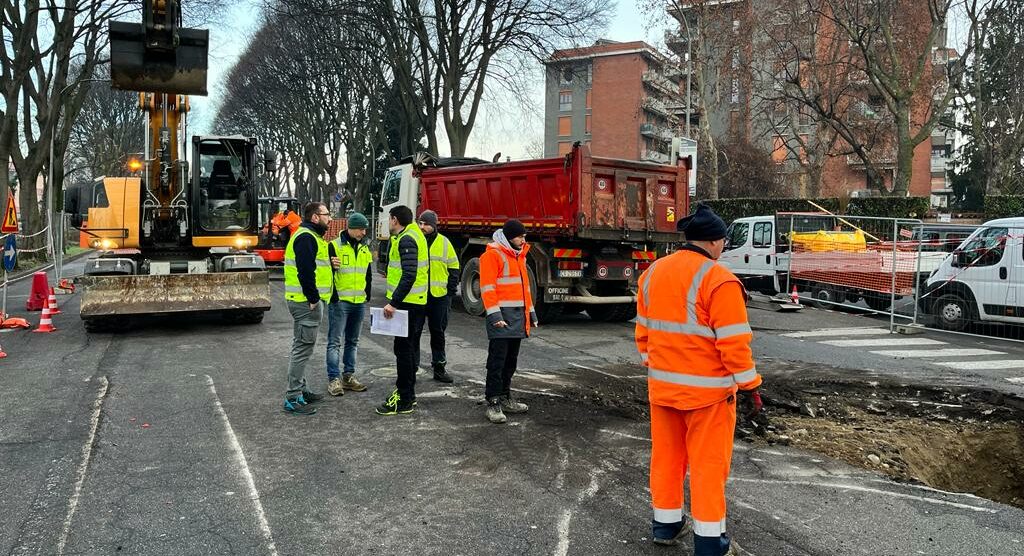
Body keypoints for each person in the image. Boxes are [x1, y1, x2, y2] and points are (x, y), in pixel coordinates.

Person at [635, 204, 762, 554]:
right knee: (707, 468)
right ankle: (709, 542)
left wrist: (662, 367)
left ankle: (666, 525)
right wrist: (751, 385)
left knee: (666, 460)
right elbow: (734, 344)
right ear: (716, 242)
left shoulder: (653, 273)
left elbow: (644, 335)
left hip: (662, 390)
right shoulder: (718, 279)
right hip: (708, 398)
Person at [479, 219, 537, 424]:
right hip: (501, 318)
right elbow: (487, 288)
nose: (523, 239)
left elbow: (525, 289)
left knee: (510, 361)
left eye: (524, 236)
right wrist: (495, 316)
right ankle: (493, 401)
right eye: (520, 236)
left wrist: (531, 313)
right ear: (509, 236)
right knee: (497, 362)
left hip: (517, 318)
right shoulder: (492, 256)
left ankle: (504, 396)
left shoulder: (519, 256)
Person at [282, 202, 334, 415]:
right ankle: (292, 397)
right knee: (302, 349)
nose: (329, 219)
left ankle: (300, 390)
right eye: (326, 215)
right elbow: (305, 271)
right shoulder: (306, 237)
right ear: (315, 217)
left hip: (305, 301)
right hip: (306, 302)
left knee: (302, 346)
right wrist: (313, 298)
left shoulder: (310, 237)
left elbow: (316, 267)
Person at [376, 205, 429, 415]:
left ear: (395, 219)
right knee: (407, 349)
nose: (388, 223)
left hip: (408, 303)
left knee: (404, 351)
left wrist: (393, 303)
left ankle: (404, 397)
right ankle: (408, 395)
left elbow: (409, 274)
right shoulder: (411, 235)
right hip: (414, 302)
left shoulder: (407, 239)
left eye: (389, 219)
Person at [325, 212, 373, 397]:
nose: (364, 232)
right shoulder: (334, 246)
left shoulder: (364, 248)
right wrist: (334, 296)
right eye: (361, 229)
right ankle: (334, 379)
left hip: (358, 302)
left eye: (365, 229)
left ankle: (348, 377)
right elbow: (324, 271)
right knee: (335, 342)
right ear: (351, 228)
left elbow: (367, 273)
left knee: (353, 341)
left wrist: (366, 294)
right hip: (340, 302)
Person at [416, 210, 460, 383]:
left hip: (439, 297)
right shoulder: (415, 241)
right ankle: (413, 367)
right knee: (414, 333)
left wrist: (450, 291)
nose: (422, 227)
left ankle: (439, 368)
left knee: (438, 333)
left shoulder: (444, 242)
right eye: (420, 223)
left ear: (434, 225)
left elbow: (454, 267)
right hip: (418, 296)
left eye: (426, 224)